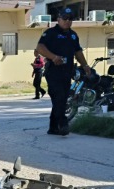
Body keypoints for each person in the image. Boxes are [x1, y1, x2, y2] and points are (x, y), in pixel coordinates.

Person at [36, 7, 91, 136]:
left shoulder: (73, 35)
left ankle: (53, 128)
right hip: (53, 72)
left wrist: (85, 66)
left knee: (61, 99)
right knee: (59, 97)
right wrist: (53, 57)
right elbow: (40, 47)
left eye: (70, 19)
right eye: (65, 18)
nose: (67, 21)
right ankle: (63, 123)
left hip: (67, 72)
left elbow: (78, 52)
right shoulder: (50, 33)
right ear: (58, 19)